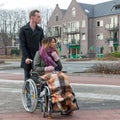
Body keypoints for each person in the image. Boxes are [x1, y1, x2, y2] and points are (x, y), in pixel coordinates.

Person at [33, 37, 78, 115]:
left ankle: (67, 103)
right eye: (52, 42)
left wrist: (56, 58)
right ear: (47, 43)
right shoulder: (39, 53)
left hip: (54, 73)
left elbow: (60, 68)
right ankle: (56, 105)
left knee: (64, 77)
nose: (54, 44)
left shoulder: (54, 52)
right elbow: (36, 67)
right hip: (43, 74)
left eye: (54, 42)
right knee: (56, 79)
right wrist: (46, 68)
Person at [19, 9, 44, 81]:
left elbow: (43, 44)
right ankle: (27, 91)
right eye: (38, 17)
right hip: (27, 56)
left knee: (37, 77)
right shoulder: (23, 30)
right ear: (32, 17)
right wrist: (26, 57)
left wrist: (44, 55)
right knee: (27, 78)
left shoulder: (40, 30)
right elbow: (22, 45)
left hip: (36, 56)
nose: (40, 18)